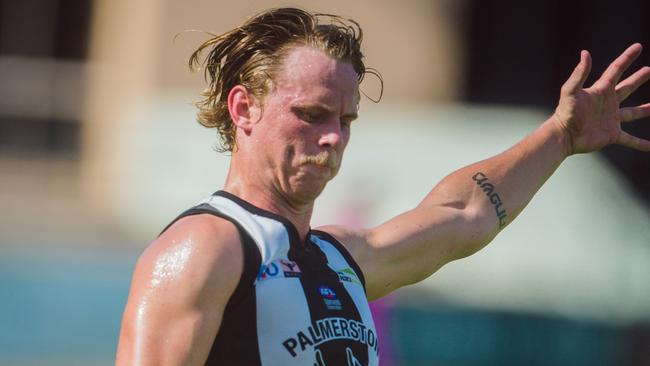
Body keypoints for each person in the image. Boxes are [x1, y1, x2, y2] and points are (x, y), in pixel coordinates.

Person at [115, 7, 650, 366]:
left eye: (345, 120)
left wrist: (560, 135)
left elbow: (465, 214)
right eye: (311, 114)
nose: (331, 138)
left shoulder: (340, 258)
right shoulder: (204, 248)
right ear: (243, 108)